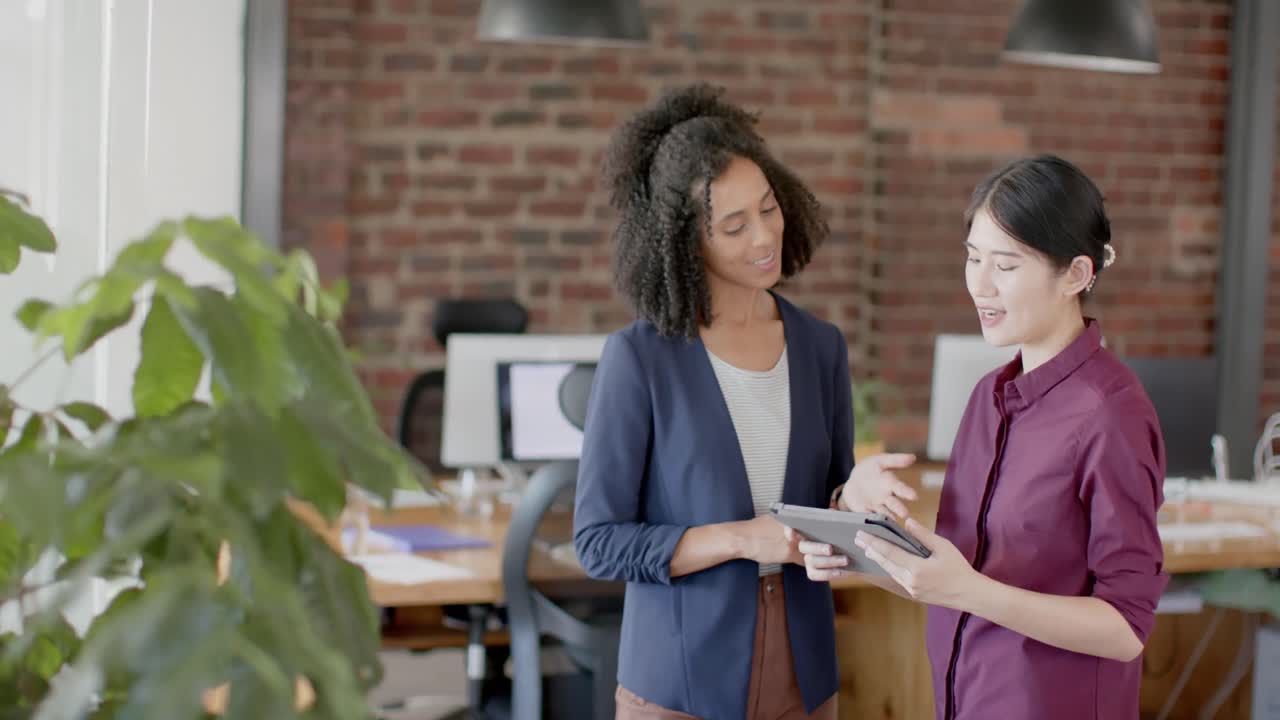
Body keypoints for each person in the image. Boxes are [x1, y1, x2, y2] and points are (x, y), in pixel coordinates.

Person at [572, 83, 915, 720]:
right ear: (684, 244)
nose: (764, 236)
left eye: (768, 207)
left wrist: (854, 498)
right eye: (733, 226)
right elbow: (599, 542)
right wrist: (740, 539)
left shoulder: (819, 347)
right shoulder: (641, 359)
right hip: (678, 680)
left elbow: (826, 504)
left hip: (805, 672)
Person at [795, 155, 1167, 719]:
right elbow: (954, 580)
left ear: (1076, 274)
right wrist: (856, 552)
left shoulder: (1111, 415)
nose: (981, 285)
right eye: (972, 258)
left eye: (1007, 265)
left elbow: (1126, 628)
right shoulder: (988, 398)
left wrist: (967, 589)